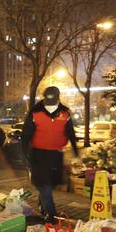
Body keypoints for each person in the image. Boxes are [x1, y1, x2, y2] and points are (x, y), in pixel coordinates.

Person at [21, 86, 78, 221]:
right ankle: (50, 214)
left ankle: (42, 205)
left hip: (56, 155)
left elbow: (70, 132)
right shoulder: (35, 113)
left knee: (50, 184)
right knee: (44, 184)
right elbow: (25, 135)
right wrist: (25, 154)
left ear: (58, 98)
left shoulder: (65, 113)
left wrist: (76, 151)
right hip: (38, 155)